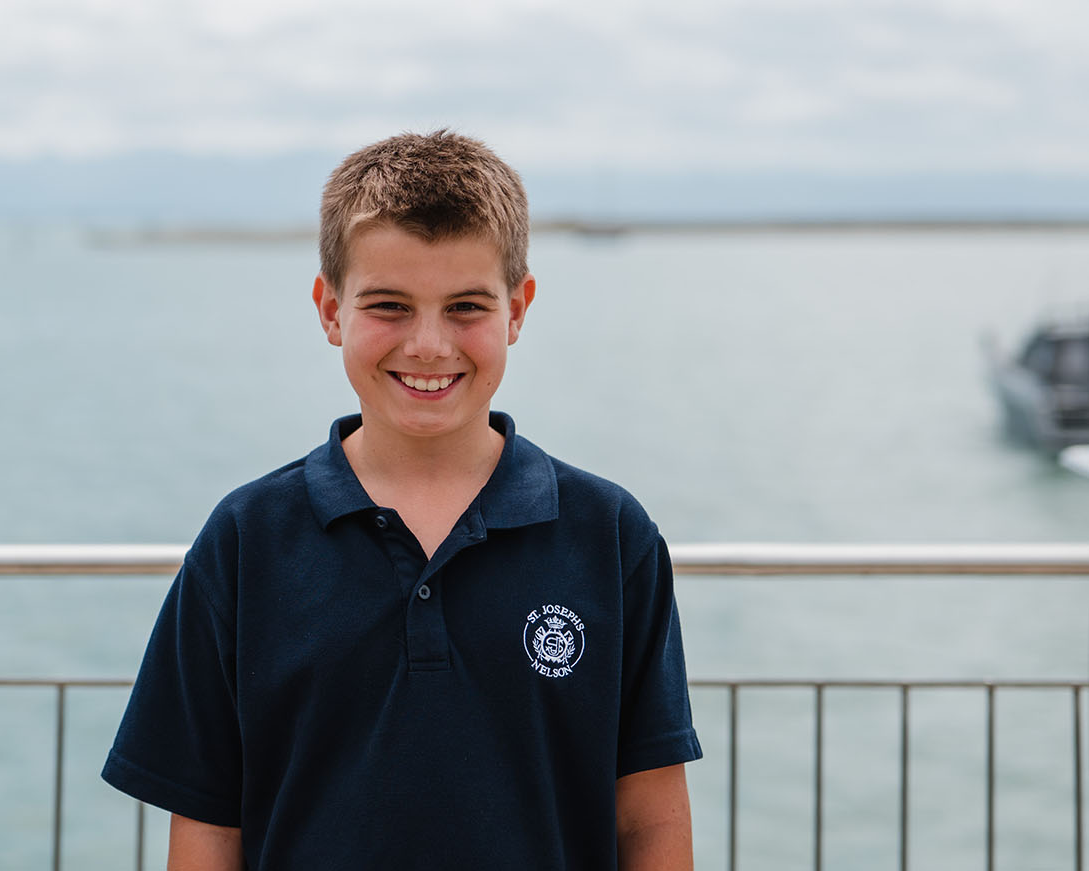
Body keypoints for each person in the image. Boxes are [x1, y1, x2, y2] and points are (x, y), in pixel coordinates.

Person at [102, 130, 702, 870]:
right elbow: (205, 828)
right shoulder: (244, 540)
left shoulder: (611, 536)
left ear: (518, 309)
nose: (428, 344)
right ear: (330, 310)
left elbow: (649, 822)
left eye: (465, 307)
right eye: (389, 305)